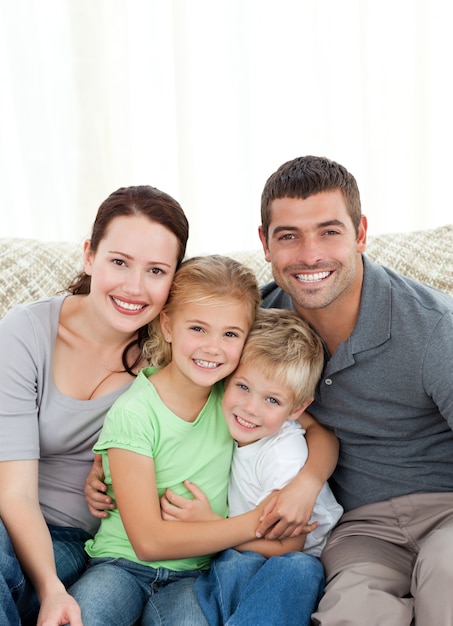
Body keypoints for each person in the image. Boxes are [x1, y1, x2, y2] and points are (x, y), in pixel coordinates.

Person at [255, 155, 453, 625]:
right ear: (264, 243)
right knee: (352, 614)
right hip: (360, 529)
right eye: (289, 236)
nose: (309, 255)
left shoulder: (434, 329)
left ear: (360, 233)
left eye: (329, 231)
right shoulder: (256, 325)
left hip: (448, 512)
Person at [0, 184, 189, 626]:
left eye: (156, 270)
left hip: (69, 536)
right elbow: (15, 493)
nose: (134, 287)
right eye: (119, 262)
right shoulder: (25, 333)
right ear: (90, 255)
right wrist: (51, 590)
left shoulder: (175, 357)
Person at [68, 254, 268, 625]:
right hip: (121, 564)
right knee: (85, 615)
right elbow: (149, 543)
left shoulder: (238, 398)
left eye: (230, 334)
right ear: (168, 326)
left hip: (193, 576)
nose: (212, 348)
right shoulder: (135, 412)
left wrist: (306, 483)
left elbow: (318, 431)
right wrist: (251, 524)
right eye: (197, 328)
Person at [161, 307, 343, 626]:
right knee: (230, 566)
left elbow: (288, 544)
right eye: (243, 387)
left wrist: (210, 525)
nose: (250, 408)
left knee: (288, 568)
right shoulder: (219, 406)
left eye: (272, 400)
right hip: (245, 552)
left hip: (288, 556)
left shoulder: (283, 455)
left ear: (296, 409)